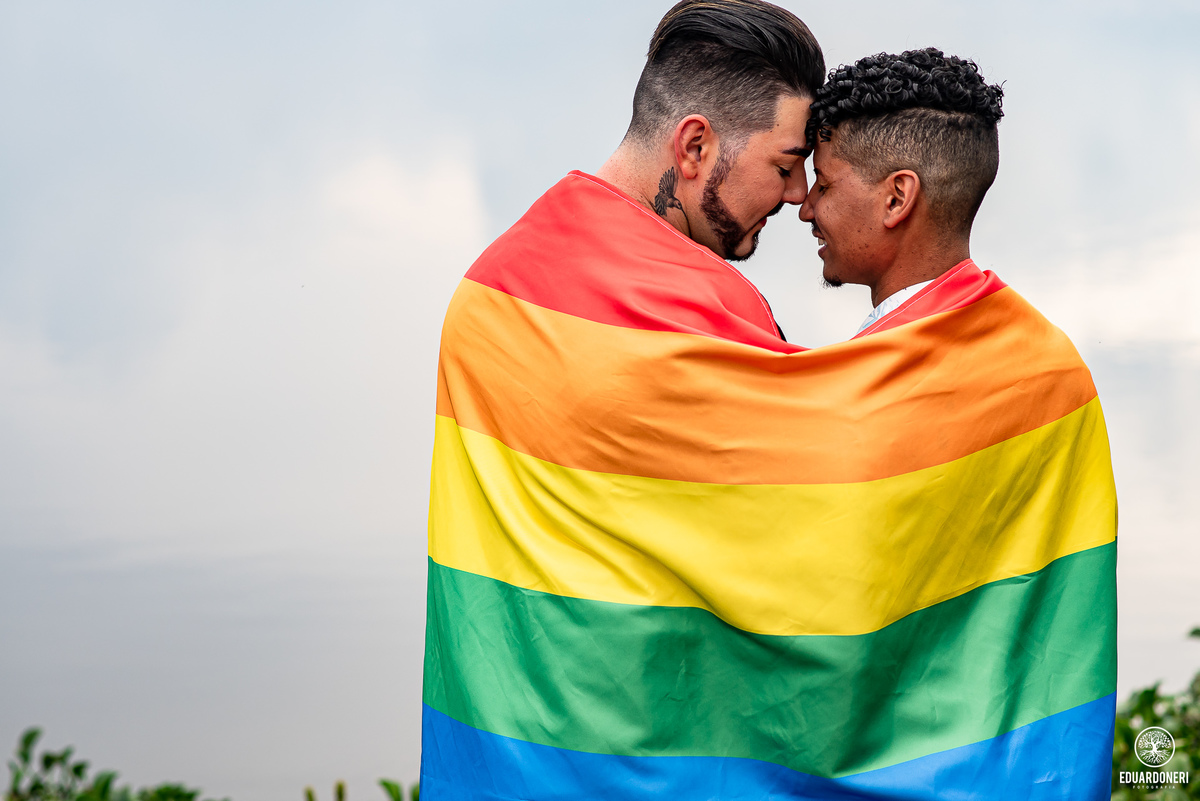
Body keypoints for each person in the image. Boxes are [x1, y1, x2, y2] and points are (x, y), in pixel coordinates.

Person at [423, 14, 1116, 799]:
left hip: (512, 756)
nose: (796, 199)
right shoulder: (717, 306)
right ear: (693, 147)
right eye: (789, 165)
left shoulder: (490, 291)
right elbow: (798, 538)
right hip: (663, 765)